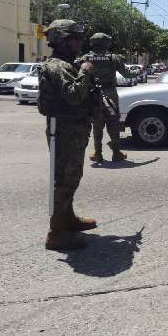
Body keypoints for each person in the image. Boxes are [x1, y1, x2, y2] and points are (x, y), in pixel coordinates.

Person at [37, 20, 98, 251]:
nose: (80, 42)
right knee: (64, 180)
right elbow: (73, 95)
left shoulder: (65, 64)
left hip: (72, 131)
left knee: (71, 177)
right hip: (64, 132)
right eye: (75, 38)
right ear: (62, 40)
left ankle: (67, 218)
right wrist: (84, 73)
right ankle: (57, 233)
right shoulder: (58, 66)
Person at [78, 33, 135, 163]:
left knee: (97, 125)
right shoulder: (113, 58)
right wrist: (139, 72)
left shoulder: (86, 58)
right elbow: (127, 74)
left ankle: (98, 153)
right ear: (105, 43)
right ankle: (116, 153)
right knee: (113, 124)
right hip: (110, 95)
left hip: (93, 95)